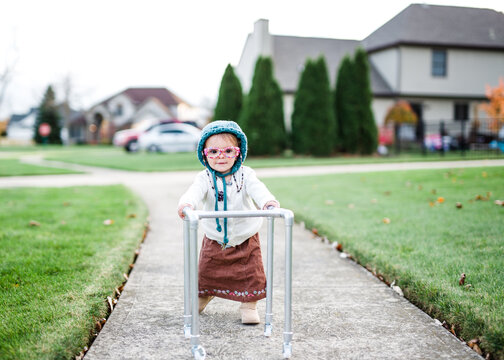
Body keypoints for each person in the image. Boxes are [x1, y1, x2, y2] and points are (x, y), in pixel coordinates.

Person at [177, 120, 279, 324]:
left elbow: (258, 189)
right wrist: (187, 204)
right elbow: (194, 192)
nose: (220, 156)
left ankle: (249, 304)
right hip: (215, 237)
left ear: (238, 152)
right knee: (207, 269)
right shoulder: (204, 177)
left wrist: (267, 202)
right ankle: (204, 294)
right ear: (204, 155)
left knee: (251, 272)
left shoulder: (245, 175)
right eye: (213, 152)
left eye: (228, 151)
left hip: (245, 236)